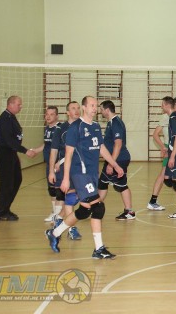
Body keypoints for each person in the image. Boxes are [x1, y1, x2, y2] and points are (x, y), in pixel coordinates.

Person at [45, 96, 124, 259]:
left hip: (92, 173)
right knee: (98, 207)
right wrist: (65, 178)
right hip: (80, 174)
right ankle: (99, 249)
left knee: (84, 210)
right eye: (92, 105)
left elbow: (101, 148)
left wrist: (115, 165)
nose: (95, 108)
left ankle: (54, 233)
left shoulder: (95, 126)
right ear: (84, 107)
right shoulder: (76, 127)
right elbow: (68, 154)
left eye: (96, 106)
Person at [0, 96, 37, 221]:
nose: (20, 107)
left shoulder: (11, 117)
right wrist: (25, 150)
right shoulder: (5, 118)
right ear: (10, 104)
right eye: (19, 104)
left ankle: (5, 208)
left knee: (17, 179)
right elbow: (9, 140)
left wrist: (15, 154)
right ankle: (2, 212)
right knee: (7, 183)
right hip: (4, 152)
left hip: (10, 152)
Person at [48, 101, 82, 240]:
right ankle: (72, 229)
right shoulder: (61, 129)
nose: (76, 110)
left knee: (77, 199)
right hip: (66, 168)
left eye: (78, 108)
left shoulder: (83, 126)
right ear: (68, 112)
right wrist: (51, 171)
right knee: (70, 198)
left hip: (81, 168)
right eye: (73, 108)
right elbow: (54, 151)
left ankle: (59, 218)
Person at [98, 100, 135, 220]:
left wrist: (111, 164)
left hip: (119, 159)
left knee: (121, 186)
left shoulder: (116, 123)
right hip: (113, 159)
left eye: (101, 109)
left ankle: (129, 212)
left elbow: (118, 144)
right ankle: (95, 208)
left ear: (107, 110)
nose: (100, 112)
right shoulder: (111, 123)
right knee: (102, 183)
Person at [31, 106, 61, 222]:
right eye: (47, 114)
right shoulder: (47, 129)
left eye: (51, 114)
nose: (48, 117)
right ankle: (54, 212)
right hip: (49, 164)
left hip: (57, 165)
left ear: (57, 116)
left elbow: (64, 147)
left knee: (58, 190)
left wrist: (60, 162)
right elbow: (46, 145)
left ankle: (58, 214)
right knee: (51, 190)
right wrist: (35, 151)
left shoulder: (59, 129)